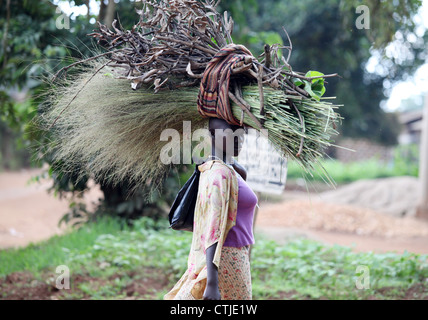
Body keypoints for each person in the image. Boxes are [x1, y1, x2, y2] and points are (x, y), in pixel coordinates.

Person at [163, 117, 258, 300]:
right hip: (225, 259)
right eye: (230, 132)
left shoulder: (227, 170)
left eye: (242, 132)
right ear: (211, 135)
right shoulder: (219, 174)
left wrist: (232, 164)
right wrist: (212, 283)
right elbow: (212, 228)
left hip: (232, 257)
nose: (238, 138)